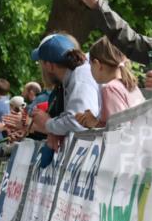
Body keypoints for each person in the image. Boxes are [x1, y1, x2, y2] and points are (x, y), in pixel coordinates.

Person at [29, 34, 101, 163]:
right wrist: (53, 130)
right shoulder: (71, 78)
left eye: (41, 63)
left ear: (50, 66)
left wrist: (48, 123)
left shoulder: (80, 77)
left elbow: (77, 122)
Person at [76, 37, 145, 128]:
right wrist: (93, 121)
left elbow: (117, 130)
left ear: (97, 64)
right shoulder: (129, 85)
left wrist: (94, 123)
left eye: (90, 65)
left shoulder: (110, 89)